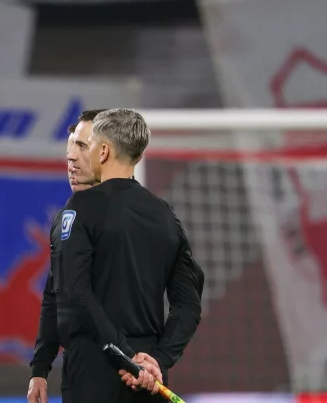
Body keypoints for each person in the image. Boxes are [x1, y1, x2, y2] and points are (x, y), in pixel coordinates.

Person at [54, 108, 204, 403]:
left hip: (97, 370)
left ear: (104, 151)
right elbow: (188, 305)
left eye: (89, 145)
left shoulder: (81, 206)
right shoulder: (166, 216)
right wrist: (157, 360)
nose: (76, 155)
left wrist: (125, 356)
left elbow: (77, 293)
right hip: (149, 380)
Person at [28, 109, 106, 403]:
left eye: (81, 147)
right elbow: (54, 295)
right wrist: (40, 368)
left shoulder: (132, 217)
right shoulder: (64, 220)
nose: (70, 158)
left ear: (106, 153)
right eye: (69, 149)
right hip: (79, 369)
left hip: (125, 367)